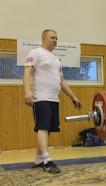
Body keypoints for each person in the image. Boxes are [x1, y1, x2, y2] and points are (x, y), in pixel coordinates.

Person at [23, 29, 82, 173]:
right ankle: (47, 160)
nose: (55, 40)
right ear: (44, 38)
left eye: (56, 38)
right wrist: (27, 91)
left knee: (46, 129)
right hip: (40, 97)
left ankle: (38, 159)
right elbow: (27, 73)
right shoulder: (35, 52)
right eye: (52, 37)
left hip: (54, 99)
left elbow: (62, 82)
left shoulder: (56, 60)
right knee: (42, 128)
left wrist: (73, 96)